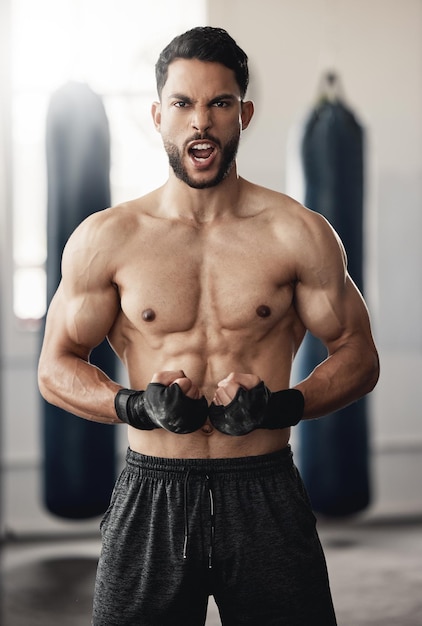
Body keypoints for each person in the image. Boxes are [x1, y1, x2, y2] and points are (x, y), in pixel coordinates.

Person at [38, 26, 379, 626]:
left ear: (243, 113)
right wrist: (135, 406)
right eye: (183, 104)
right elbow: (55, 367)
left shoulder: (297, 233)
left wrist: (283, 406)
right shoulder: (108, 239)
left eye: (219, 103)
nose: (201, 122)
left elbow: (358, 354)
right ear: (157, 115)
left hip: (264, 488)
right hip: (152, 493)